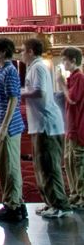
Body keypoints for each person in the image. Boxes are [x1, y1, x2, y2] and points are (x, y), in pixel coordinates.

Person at [21, 37, 72, 218]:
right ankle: (50, 202)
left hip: (47, 125)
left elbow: (39, 92)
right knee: (41, 166)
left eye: (23, 50)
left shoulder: (39, 67)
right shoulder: (34, 67)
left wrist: (19, 92)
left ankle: (61, 205)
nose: (21, 53)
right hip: (40, 125)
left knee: (50, 167)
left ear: (31, 51)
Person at [0, 37, 26, 224]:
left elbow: (13, 99)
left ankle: (12, 207)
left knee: (9, 167)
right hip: (4, 126)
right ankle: (16, 203)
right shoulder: (2, 70)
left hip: (9, 127)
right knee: (5, 167)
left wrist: (3, 126)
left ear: (2, 52)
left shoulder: (10, 71)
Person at [58, 46, 84, 207]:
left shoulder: (79, 77)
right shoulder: (73, 77)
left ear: (73, 60)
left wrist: (61, 84)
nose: (63, 63)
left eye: (64, 60)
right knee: (68, 161)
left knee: (78, 163)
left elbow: (72, 99)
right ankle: (74, 193)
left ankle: (82, 196)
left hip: (78, 128)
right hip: (70, 128)